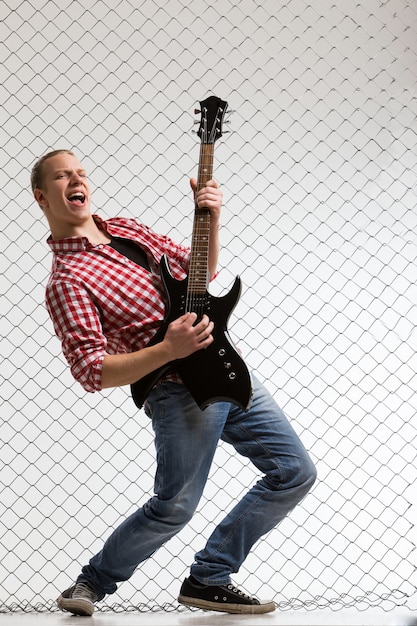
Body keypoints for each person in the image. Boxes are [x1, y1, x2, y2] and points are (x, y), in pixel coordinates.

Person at [31, 148, 317, 617]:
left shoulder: (125, 229)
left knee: (295, 472)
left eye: (80, 172)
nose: (75, 180)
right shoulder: (66, 280)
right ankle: (91, 583)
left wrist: (212, 217)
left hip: (225, 366)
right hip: (175, 387)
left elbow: (199, 271)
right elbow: (91, 371)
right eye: (62, 176)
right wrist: (168, 349)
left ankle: (210, 577)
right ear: (42, 197)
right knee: (176, 505)